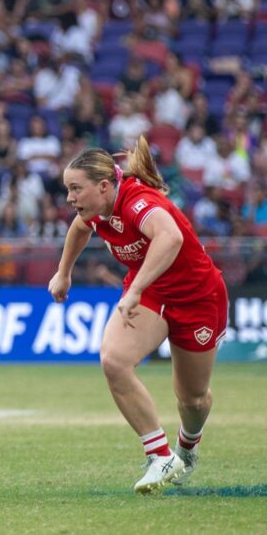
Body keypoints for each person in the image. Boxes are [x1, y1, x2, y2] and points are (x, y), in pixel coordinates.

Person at [48, 136, 228, 494]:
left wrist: (132, 290)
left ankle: (187, 447)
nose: (70, 198)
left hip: (198, 299)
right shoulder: (96, 211)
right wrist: (63, 271)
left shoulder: (137, 202)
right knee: (113, 360)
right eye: (67, 189)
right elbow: (80, 229)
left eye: (75, 189)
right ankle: (159, 455)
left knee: (191, 399)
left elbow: (170, 237)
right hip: (152, 296)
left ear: (103, 186)